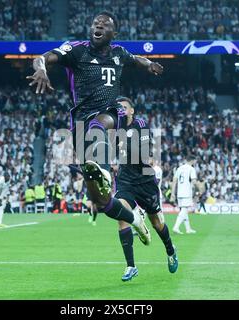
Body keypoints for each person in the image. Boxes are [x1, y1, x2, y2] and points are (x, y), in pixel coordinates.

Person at [27, 11, 164, 244]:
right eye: (95, 23)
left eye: (104, 25)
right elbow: (44, 56)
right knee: (103, 203)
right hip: (81, 125)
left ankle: (104, 170)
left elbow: (136, 59)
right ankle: (136, 221)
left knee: (99, 123)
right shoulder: (77, 51)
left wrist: (149, 63)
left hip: (110, 114)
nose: (97, 26)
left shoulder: (119, 53)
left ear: (114, 33)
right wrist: (41, 68)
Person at [114, 97, 178, 281]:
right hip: (126, 181)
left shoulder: (140, 124)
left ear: (132, 111)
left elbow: (143, 155)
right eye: (118, 107)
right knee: (121, 216)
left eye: (124, 107)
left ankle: (170, 250)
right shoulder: (115, 128)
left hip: (145, 181)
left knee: (157, 224)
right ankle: (130, 266)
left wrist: (123, 145)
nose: (121, 110)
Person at [171, 156, 197, 234]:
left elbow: (174, 180)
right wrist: (193, 188)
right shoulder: (191, 169)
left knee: (183, 210)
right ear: (192, 161)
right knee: (184, 210)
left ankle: (188, 229)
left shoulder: (179, 168)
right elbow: (194, 181)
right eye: (195, 161)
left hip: (179, 192)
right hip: (187, 192)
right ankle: (176, 227)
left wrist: (172, 193)